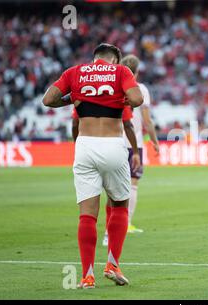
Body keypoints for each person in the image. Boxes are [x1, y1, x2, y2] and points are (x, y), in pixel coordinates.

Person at [42, 43, 143, 289]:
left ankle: (87, 276)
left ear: (95, 58)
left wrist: (74, 98)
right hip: (112, 143)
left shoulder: (75, 72)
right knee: (119, 205)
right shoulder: (120, 72)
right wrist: (120, 97)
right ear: (115, 60)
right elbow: (137, 99)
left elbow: (48, 99)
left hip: (85, 145)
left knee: (87, 214)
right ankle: (112, 264)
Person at [71, 106, 141, 246]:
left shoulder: (83, 91)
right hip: (114, 148)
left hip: (87, 148)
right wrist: (136, 152)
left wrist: (77, 144)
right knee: (116, 198)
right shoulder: (119, 93)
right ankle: (110, 245)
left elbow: (74, 122)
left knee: (88, 206)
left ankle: (88, 267)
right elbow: (128, 123)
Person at [119, 54, 160, 235]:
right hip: (133, 144)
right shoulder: (141, 89)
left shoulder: (115, 86)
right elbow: (147, 121)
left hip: (113, 141)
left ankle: (113, 225)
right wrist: (155, 141)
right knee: (133, 184)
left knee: (115, 186)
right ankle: (126, 223)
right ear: (137, 71)